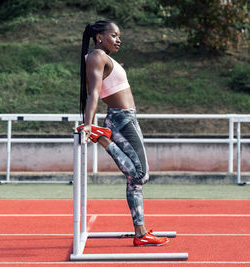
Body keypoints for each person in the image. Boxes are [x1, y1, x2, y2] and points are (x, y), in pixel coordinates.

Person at [78, 19, 169, 247]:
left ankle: (140, 234)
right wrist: (89, 123)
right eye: (114, 35)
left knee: (135, 181)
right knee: (139, 175)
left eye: (119, 36)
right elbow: (94, 93)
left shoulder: (101, 57)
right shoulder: (97, 56)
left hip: (124, 118)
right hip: (122, 119)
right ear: (100, 36)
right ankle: (102, 138)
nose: (119, 40)